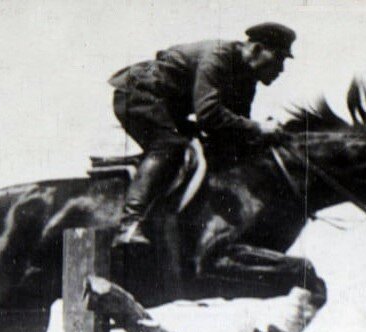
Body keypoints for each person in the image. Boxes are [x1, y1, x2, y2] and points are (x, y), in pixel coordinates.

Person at [109, 22, 296, 246]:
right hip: (137, 97)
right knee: (169, 145)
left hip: (167, 107)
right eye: (279, 58)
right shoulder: (217, 58)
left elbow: (233, 133)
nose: (281, 69)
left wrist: (265, 137)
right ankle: (130, 224)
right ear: (256, 50)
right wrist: (258, 128)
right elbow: (209, 116)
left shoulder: (247, 79)